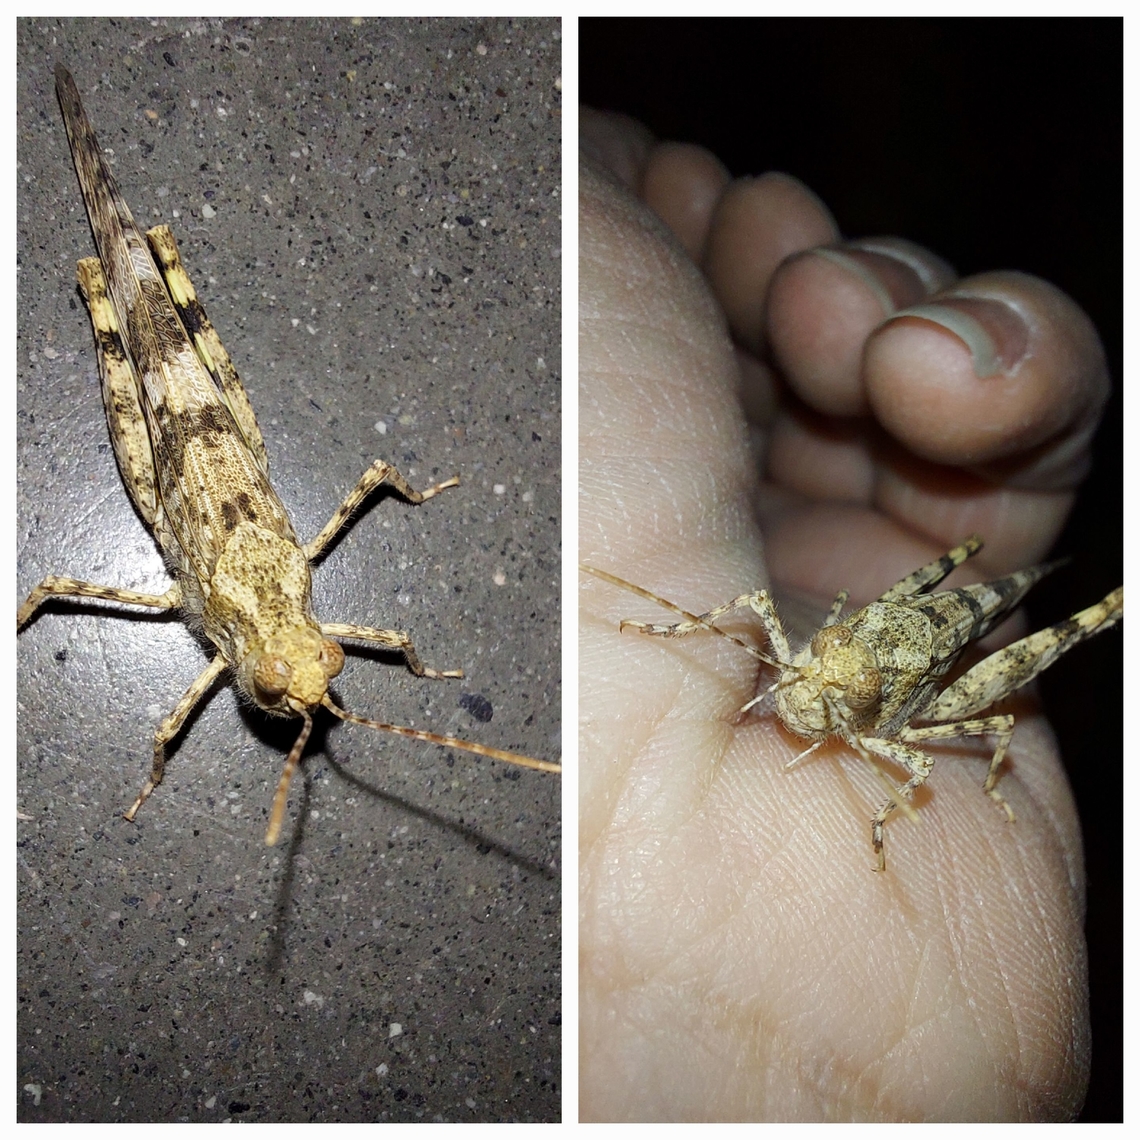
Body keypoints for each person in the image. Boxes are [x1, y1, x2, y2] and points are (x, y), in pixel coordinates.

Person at [579, 109, 1108, 1121]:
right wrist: (665, 630)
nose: (798, 697)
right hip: (897, 604)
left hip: (937, 659)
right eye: (802, 682)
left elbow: (920, 763)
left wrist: (913, 812)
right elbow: (749, 605)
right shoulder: (802, 661)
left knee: (1041, 648)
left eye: (809, 686)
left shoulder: (895, 744)